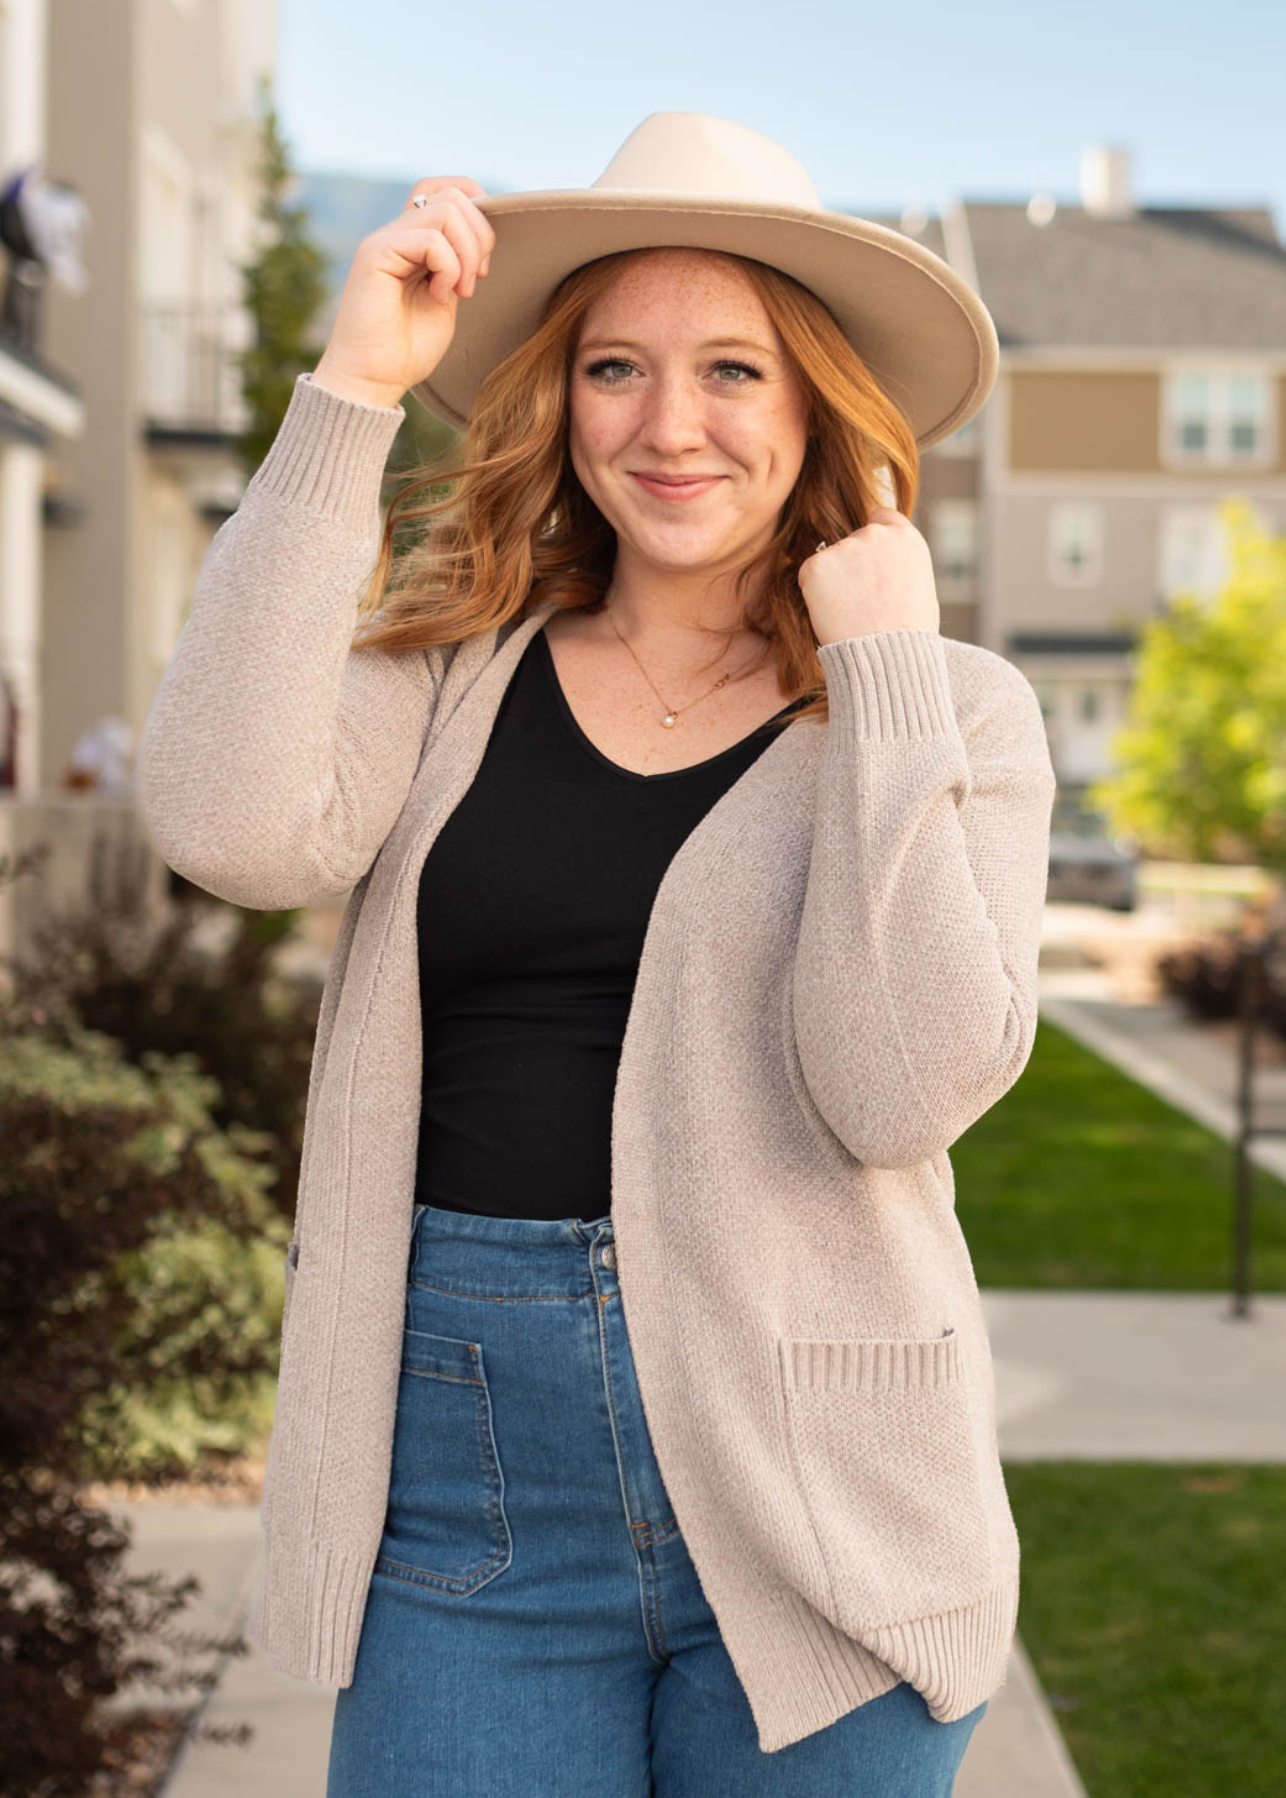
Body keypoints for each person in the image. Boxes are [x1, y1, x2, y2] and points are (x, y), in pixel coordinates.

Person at [133, 112, 1057, 1795]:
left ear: (814, 409)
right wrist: (347, 392)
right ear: (560, 402)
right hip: (464, 1474)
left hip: (819, 1490)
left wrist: (887, 683)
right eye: (615, 369)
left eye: (731, 372)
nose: (668, 425)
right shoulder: (455, 668)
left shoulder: (949, 713)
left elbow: (899, 1088)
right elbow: (221, 821)